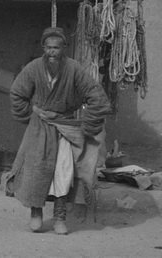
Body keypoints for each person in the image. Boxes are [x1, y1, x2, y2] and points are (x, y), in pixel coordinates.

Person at [7, 27, 111, 234]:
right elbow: (17, 93)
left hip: (65, 127)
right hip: (40, 127)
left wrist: (88, 126)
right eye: (49, 47)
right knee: (36, 170)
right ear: (43, 48)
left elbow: (96, 96)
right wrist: (33, 110)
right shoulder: (33, 68)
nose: (52, 52)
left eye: (57, 47)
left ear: (64, 48)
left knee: (63, 173)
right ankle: (36, 214)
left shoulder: (74, 69)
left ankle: (60, 218)